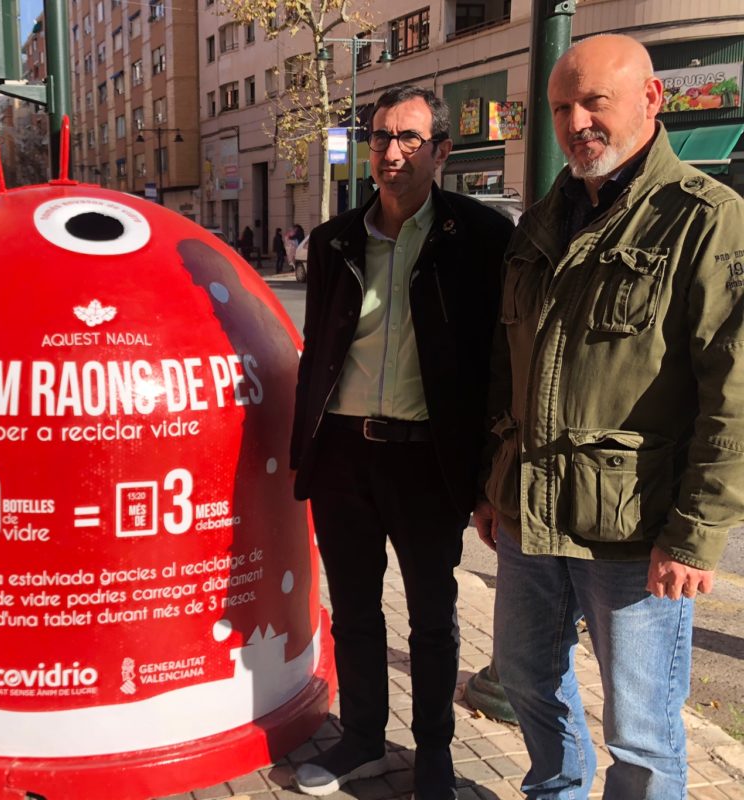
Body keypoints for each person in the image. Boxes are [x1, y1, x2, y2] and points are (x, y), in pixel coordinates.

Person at [473, 34, 744, 799]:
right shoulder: (541, 221)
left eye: (596, 100)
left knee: (643, 731)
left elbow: (734, 395)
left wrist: (695, 535)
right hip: (530, 516)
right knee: (527, 682)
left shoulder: (707, 219)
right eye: (563, 106)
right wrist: (491, 486)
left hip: (636, 531)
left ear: (651, 100)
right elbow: (506, 367)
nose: (577, 120)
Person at [290, 85, 512, 798]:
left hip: (427, 458)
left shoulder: (480, 238)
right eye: (381, 137)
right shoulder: (334, 241)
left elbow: (498, 364)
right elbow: (318, 351)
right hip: (343, 456)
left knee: (431, 618)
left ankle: (436, 756)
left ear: (441, 150)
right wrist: (307, 451)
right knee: (353, 608)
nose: (391, 152)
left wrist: (487, 477)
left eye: (409, 138)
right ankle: (360, 738)